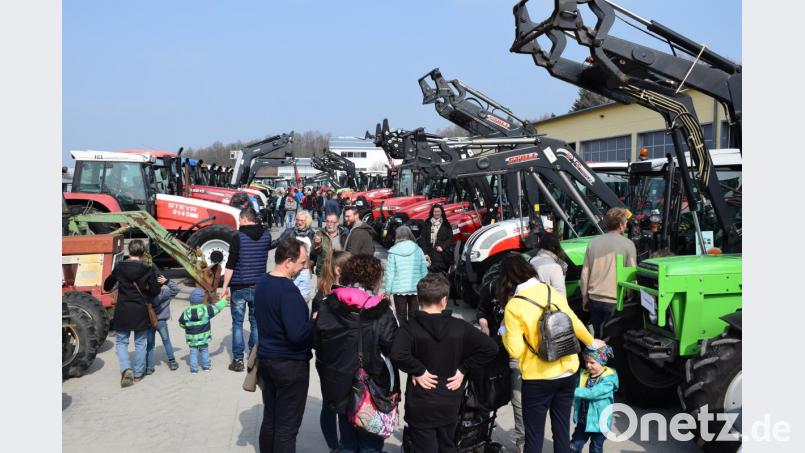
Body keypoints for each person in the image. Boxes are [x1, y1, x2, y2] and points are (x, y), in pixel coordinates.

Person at [390, 273, 498, 452]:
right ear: (443, 300)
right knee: (447, 446)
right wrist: (463, 369)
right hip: (449, 401)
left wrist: (418, 370)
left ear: (419, 299)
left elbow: (397, 354)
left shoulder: (410, 328)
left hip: (420, 404)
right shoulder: (460, 327)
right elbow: (490, 348)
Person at [501, 254, 597, 453]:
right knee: (561, 431)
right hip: (567, 371)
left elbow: (516, 351)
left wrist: (503, 332)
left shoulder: (514, 306)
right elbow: (573, 320)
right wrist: (591, 342)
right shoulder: (550, 290)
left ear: (508, 279)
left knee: (534, 436)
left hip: (538, 378)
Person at [314, 254, 399, 453]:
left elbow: (317, 341)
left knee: (347, 441)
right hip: (373, 387)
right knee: (370, 444)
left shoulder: (329, 303)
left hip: (339, 383)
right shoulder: (382, 310)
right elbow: (394, 349)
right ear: (375, 278)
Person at [254, 237, 315, 452]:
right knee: (287, 427)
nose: (304, 267)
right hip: (290, 365)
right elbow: (298, 334)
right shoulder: (288, 292)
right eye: (302, 262)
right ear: (288, 261)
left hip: (268, 360)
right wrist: (315, 322)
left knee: (271, 417)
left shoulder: (263, 281)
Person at [476, 253, 529, 452]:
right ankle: (481, 434)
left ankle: (523, 442)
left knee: (519, 399)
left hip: (522, 351)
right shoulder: (491, 287)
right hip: (497, 346)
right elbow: (482, 311)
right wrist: (484, 326)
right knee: (489, 394)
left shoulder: (526, 291)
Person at [219, 206, 273, 373]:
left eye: (239, 220)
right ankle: (254, 359)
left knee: (237, 323)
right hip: (259, 286)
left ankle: (237, 361)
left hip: (239, 287)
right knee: (256, 323)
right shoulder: (266, 235)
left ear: (244, 219)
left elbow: (230, 264)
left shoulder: (238, 237)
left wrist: (224, 286)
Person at [103, 239, 162, 387]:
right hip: (141, 311)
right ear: (143, 253)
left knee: (122, 342)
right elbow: (156, 291)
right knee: (140, 343)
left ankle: (126, 369)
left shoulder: (120, 267)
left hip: (123, 311)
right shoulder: (148, 269)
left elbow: (107, 285)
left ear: (129, 251)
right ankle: (138, 374)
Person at [311, 250, 351, 452]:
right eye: (350, 267)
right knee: (331, 405)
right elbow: (315, 336)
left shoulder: (351, 292)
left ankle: (344, 444)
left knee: (345, 405)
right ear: (338, 270)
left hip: (347, 359)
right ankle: (335, 447)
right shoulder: (322, 297)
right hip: (330, 361)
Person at [580, 207, 637, 337]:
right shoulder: (628, 244)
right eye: (626, 223)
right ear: (621, 225)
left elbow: (585, 273)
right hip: (616, 301)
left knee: (598, 338)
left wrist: (585, 297)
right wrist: (630, 296)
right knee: (613, 340)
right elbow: (631, 274)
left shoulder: (593, 243)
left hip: (594, 298)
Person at [570, 340, 618, 453]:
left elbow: (594, 392)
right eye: (586, 362)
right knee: (574, 446)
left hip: (600, 424)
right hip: (583, 421)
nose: (588, 365)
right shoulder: (584, 375)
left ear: (602, 361)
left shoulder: (609, 379)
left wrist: (572, 391)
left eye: (592, 362)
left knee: (596, 449)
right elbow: (572, 382)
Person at [383, 225, 428, 323]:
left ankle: (403, 334)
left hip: (399, 288)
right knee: (414, 314)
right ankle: (413, 335)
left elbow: (390, 273)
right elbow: (423, 269)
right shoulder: (418, 249)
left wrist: (387, 292)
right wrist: (425, 286)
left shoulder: (393, 251)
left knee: (401, 314)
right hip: (415, 287)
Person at [178, 289, 229, 373]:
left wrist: (188, 327)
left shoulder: (186, 312)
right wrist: (224, 299)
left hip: (192, 338)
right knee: (205, 351)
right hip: (203, 338)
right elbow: (217, 308)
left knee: (193, 353)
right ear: (201, 299)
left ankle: (194, 369)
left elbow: (181, 324)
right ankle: (206, 367)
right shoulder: (206, 310)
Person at [276, 210, 316, 302]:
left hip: (304, 273)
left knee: (303, 300)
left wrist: (311, 263)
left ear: (307, 221)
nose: (299, 222)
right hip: (290, 271)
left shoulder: (312, 234)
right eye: (297, 220)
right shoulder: (289, 232)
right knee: (287, 298)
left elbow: (314, 253)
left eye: (302, 220)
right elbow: (277, 243)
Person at [145, 272, 181, 373]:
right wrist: (167, 281)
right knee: (166, 341)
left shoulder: (145, 295)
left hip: (149, 322)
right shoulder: (165, 293)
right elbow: (176, 289)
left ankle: (149, 367)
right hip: (161, 322)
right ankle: (172, 362)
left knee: (150, 345)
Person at [529, 232, 571, 296]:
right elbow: (560, 292)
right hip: (549, 303)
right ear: (556, 246)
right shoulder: (555, 266)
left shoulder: (532, 261)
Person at [417, 204, 453, 275]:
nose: (437, 213)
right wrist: (425, 253)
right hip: (428, 253)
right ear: (432, 213)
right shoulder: (427, 223)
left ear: (441, 212)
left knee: (439, 272)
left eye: (438, 211)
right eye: (435, 211)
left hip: (440, 253)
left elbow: (450, 238)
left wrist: (442, 247)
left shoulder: (446, 224)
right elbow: (423, 238)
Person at [312, 212, 346, 278]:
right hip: (323, 271)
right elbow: (314, 252)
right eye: (327, 221)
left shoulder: (343, 234)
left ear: (337, 223)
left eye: (332, 222)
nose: (329, 224)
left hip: (338, 272)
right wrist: (317, 244)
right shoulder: (319, 233)